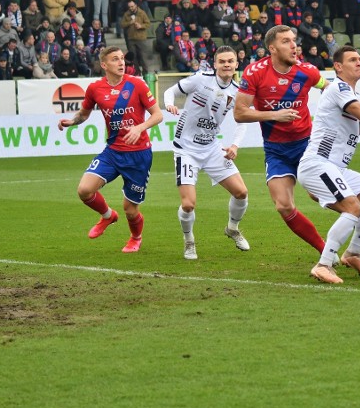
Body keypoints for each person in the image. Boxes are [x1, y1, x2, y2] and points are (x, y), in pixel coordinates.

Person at [298, 46, 360, 283]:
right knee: (353, 207)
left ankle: (353, 253)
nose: (359, 63)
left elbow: (359, 124)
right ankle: (324, 264)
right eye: (352, 60)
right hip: (319, 163)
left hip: (336, 167)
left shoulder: (353, 96)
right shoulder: (338, 87)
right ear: (338, 67)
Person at [233, 25, 329, 254]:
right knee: (283, 206)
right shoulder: (254, 72)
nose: (293, 45)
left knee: (320, 195)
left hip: (306, 145)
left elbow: (329, 88)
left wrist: (353, 112)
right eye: (286, 41)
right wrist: (275, 115)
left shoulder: (307, 71)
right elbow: (240, 112)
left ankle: (356, 215)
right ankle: (325, 251)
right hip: (276, 149)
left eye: (294, 40)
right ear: (272, 48)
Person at [58, 46, 164, 253]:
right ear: (104, 65)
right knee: (84, 190)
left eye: (122, 59)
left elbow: (157, 115)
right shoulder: (95, 88)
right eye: (115, 59)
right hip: (113, 151)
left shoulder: (137, 84)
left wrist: (140, 127)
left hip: (138, 155)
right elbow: (84, 114)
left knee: (130, 210)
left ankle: (136, 238)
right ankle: (108, 216)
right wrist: (72, 122)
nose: (121, 63)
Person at [162, 46, 250, 260]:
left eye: (230, 61)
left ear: (236, 64)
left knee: (241, 193)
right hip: (186, 149)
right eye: (222, 61)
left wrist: (235, 145)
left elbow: (242, 120)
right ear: (215, 63)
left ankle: (232, 228)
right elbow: (170, 91)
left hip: (212, 148)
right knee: (188, 204)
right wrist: (169, 104)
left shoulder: (237, 92)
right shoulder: (201, 79)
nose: (227, 64)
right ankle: (189, 240)